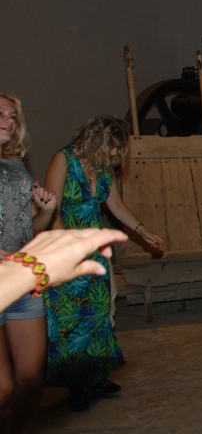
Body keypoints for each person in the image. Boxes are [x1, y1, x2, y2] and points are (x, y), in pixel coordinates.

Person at [43, 115, 163, 412]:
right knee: (70, 318)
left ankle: (95, 376)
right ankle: (74, 385)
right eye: (111, 147)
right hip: (65, 250)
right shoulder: (64, 160)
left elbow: (115, 205)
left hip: (95, 252)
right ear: (95, 139)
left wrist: (142, 231)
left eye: (118, 149)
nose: (114, 153)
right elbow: (52, 210)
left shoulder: (105, 167)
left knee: (97, 316)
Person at [0, 93, 56, 434]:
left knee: (32, 378)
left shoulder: (16, 165)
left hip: (20, 282)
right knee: (1, 387)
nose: (8, 119)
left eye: (13, 114)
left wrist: (46, 213)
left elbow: (28, 230)